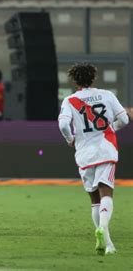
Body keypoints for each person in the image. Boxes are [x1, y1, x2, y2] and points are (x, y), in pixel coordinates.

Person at [58, 63, 129, 255]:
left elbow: (63, 124)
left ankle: (105, 239)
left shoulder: (70, 100)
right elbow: (125, 120)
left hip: (84, 154)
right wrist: (110, 127)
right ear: (93, 78)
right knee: (107, 195)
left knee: (94, 200)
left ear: (74, 81)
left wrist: (70, 139)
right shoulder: (107, 95)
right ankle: (106, 237)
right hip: (106, 150)